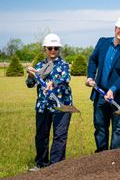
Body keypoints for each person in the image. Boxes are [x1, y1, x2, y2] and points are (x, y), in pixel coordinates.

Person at [86, 15, 120, 152]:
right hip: (100, 94)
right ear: (115, 28)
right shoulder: (102, 43)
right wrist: (90, 77)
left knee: (118, 131)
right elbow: (93, 60)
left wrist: (113, 89)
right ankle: (101, 157)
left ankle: (114, 161)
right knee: (100, 128)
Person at [26, 33, 73, 171]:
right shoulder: (39, 66)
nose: (53, 50)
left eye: (56, 48)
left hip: (62, 106)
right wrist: (30, 75)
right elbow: (30, 84)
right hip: (43, 106)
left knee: (59, 135)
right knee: (41, 135)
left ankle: (55, 167)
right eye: (50, 48)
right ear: (45, 49)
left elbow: (65, 79)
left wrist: (53, 82)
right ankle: (41, 164)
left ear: (59, 49)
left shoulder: (64, 65)